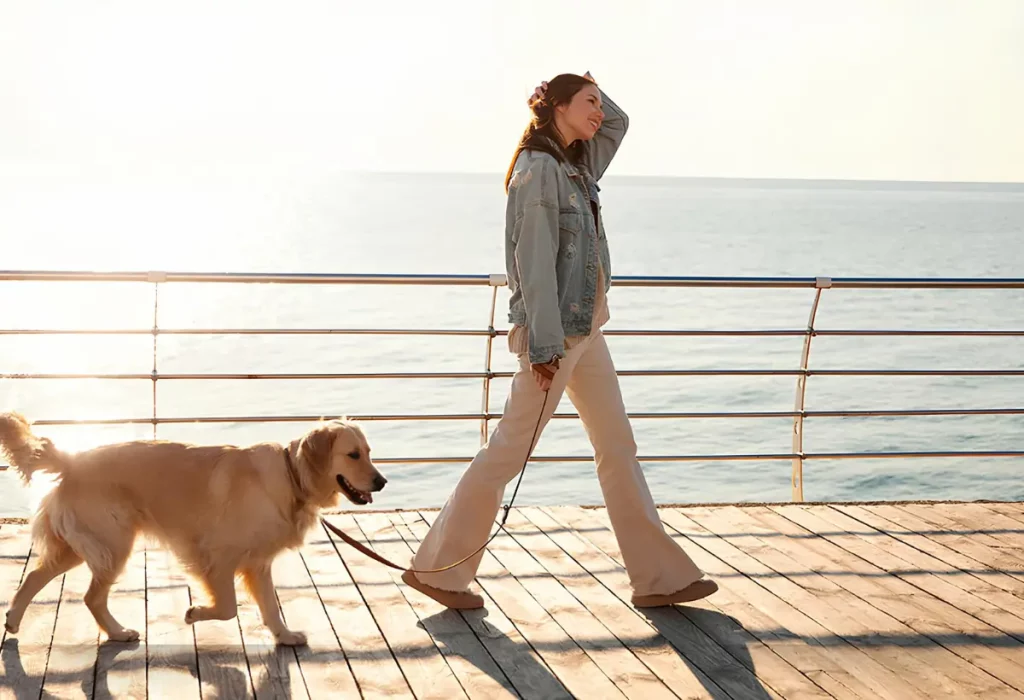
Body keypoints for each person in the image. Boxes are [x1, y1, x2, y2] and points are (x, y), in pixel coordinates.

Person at [402, 72, 717, 609]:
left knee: (617, 447)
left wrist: (587, 85)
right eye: (588, 102)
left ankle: (659, 578)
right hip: (556, 336)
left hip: (586, 331)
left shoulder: (577, 163)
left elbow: (618, 123)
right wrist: (543, 347)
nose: (599, 111)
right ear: (559, 109)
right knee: (507, 452)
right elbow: (534, 266)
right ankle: (437, 571)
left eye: (598, 102)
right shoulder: (538, 171)